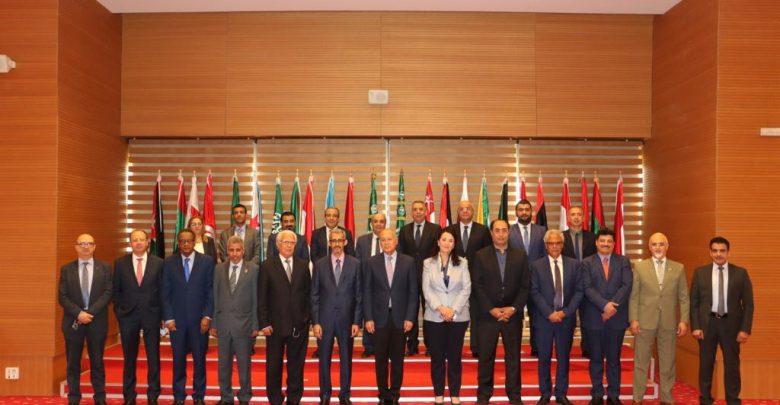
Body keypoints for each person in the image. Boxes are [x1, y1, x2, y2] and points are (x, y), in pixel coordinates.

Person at [472, 219, 530, 405]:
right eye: (497, 230)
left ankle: (514, 395)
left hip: (512, 316)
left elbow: (525, 286)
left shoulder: (520, 256)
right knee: (485, 357)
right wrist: (491, 309)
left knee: (513, 358)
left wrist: (513, 308)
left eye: (504, 230)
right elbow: (477, 285)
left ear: (509, 232)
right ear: (491, 233)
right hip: (487, 316)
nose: (501, 234)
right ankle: (484, 394)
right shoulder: (480, 256)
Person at [690, 236, 754, 405]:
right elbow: (694, 303)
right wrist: (695, 326)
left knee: (732, 366)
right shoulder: (700, 273)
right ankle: (705, 399)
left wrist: (745, 329)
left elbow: (748, 304)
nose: (718, 254)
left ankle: (733, 400)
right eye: (715, 251)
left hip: (731, 326)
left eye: (722, 251)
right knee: (706, 365)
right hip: (707, 325)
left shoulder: (740, 273)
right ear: (710, 252)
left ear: (728, 252)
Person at [628, 233, 689, 405]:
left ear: (667, 246)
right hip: (644, 321)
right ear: (649, 247)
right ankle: (637, 398)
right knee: (641, 362)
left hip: (668, 322)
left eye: (661, 244)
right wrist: (633, 319)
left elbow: (684, 297)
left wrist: (684, 320)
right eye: (654, 244)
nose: (658, 248)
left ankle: (667, 398)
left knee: (668, 362)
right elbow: (634, 296)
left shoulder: (678, 268)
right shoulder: (640, 267)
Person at [363, 228, 418, 405]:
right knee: (380, 360)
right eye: (383, 240)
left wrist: (410, 317)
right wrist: (368, 318)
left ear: (396, 241)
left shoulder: (408, 262)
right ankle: (382, 393)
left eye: (389, 239)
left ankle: (394, 393)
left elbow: (413, 293)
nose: (386, 243)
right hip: (378, 319)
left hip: (400, 319)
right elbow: (367, 292)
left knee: (397, 360)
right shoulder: (371, 262)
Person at [258, 230, 312, 405]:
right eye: (285, 242)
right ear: (278, 245)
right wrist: (264, 322)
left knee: (296, 365)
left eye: (292, 243)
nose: (289, 246)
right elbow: (261, 296)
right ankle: (275, 398)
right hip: (274, 326)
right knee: (274, 365)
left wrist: (307, 319)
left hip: (299, 325)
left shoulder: (303, 265)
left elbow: (308, 294)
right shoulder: (267, 266)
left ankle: (294, 397)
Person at [162, 228, 215, 405]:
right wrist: (169, 318)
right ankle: (179, 396)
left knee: (200, 360)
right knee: (178, 361)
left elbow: (210, 292)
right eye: (182, 241)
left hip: (199, 321)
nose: (186, 244)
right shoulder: (169, 263)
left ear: (194, 242)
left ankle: (199, 395)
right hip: (177, 322)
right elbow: (165, 293)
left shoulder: (207, 261)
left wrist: (207, 316)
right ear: (178, 243)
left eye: (189, 241)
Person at [530, 229, 583, 405]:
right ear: (546, 246)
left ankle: (561, 393)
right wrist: (549, 313)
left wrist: (565, 312)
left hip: (565, 320)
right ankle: (545, 392)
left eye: (558, 243)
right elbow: (534, 292)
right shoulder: (536, 266)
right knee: (544, 358)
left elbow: (579, 291)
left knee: (563, 358)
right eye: (551, 243)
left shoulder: (574, 265)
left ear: (563, 244)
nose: (554, 246)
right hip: (543, 320)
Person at [59, 234, 113, 405]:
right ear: (76, 247)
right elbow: (62, 296)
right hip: (73, 322)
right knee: (73, 362)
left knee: (97, 361)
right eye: (82, 243)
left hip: (97, 321)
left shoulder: (105, 268)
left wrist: (89, 313)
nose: (85, 246)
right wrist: (79, 314)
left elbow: (108, 293)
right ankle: (74, 397)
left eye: (89, 243)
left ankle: (100, 397)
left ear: (94, 247)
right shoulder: (66, 269)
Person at [580, 228, 632, 405]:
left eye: (609, 241)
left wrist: (612, 306)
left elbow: (626, 285)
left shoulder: (623, 261)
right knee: (595, 359)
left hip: (616, 318)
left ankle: (613, 394)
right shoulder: (586, 263)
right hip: (594, 317)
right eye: (602, 241)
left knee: (613, 359)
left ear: (614, 243)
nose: (605, 244)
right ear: (596, 243)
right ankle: (596, 393)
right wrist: (604, 305)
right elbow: (587, 287)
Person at [112, 230, 164, 405]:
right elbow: (116, 291)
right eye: (135, 240)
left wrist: (162, 315)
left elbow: (163, 291)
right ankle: (129, 395)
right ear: (130, 243)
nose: (139, 242)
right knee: (129, 358)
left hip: (152, 315)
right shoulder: (120, 263)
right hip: (128, 317)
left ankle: (153, 394)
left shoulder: (159, 263)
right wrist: (120, 312)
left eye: (142, 239)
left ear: (148, 242)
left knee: (153, 357)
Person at [311, 228, 363, 405]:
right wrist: (315, 322)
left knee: (346, 359)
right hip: (324, 321)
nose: (337, 244)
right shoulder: (319, 264)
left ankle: (344, 395)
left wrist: (357, 321)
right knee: (324, 359)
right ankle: (325, 394)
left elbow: (359, 296)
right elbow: (314, 295)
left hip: (347, 321)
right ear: (329, 243)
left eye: (340, 241)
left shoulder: (355, 264)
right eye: (333, 241)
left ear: (345, 242)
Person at [421, 228, 471, 405]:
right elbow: (426, 289)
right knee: (437, 358)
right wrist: (441, 308)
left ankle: (455, 394)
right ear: (438, 242)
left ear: (454, 244)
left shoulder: (463, 262)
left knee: (455, 357)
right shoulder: (428, 263)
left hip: (458, 317)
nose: (447, 243)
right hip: (435, 316)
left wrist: (453, 310)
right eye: (444, 240)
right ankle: (439, 394)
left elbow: (466, 288)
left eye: (451, 240)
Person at [211, 236, 259, 405]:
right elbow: (215, 297)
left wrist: (255, 324)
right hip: (223, 325)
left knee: (244, 366)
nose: (235, 254)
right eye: (231, 250)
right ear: (227, 251)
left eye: (238, 250)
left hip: (244, 326)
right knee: (223, 365)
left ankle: (244, 396)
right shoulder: (218, 269)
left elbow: (255, 299)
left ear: (243, 251)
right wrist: (214, 323)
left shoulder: (253, 269)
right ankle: (226, 397)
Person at [446, 200, 491, 358]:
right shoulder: (450, 230)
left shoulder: (483, 230)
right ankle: (452, 347)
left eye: (468, 209)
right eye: (462, 209)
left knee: (476, 313)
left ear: (473, 211)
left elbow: (488, 254)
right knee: (454, 311)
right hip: (455, 280)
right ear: (458, 212)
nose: (465, 211)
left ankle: (476, 346)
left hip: (477, 279)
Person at [398, 200, 438, 356]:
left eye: (421, 209)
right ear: (411, 212)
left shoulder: (435, 229)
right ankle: (412, 345)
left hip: (430, 278)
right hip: (409, 278)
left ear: (426, 211)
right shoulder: (404, 230)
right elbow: (401, 254)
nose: (418, 212)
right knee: (410, 312)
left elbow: (438, 253)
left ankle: (431, 345)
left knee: (430, 312)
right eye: (415, 209)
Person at [508, 199, 547, 356]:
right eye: (521, 209)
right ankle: (514, 349)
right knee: (514, 317)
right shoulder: (509, 231)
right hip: (515, 282)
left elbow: (545, 256)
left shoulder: (542, 230)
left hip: (537, 282)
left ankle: (536, 347)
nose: (524, 212)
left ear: (531, 212)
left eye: (527, 209)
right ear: (516, 212)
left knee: (536, 316)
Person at [561, 206, 597, 359]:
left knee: (588, 317)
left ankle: (587, 348)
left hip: (588, 282)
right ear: (568, 217)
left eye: (579, 215)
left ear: (583, 218)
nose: (576, 217)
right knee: (567, 318)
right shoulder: (561, 237)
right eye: (573, 214)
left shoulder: (593, 238)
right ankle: (564, 349)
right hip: (567, 282)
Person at [355, 212, 387, 357]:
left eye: (381, 221)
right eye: (375, 221)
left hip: (385, 285)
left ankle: (382, 346)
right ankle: (368, 346)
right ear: (371, 224)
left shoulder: (391, 240)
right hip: (366, 282)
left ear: (385, 223)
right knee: (367, 314)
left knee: (384, 315)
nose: (378, 224)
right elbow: (357, 263)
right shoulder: (362, 241)